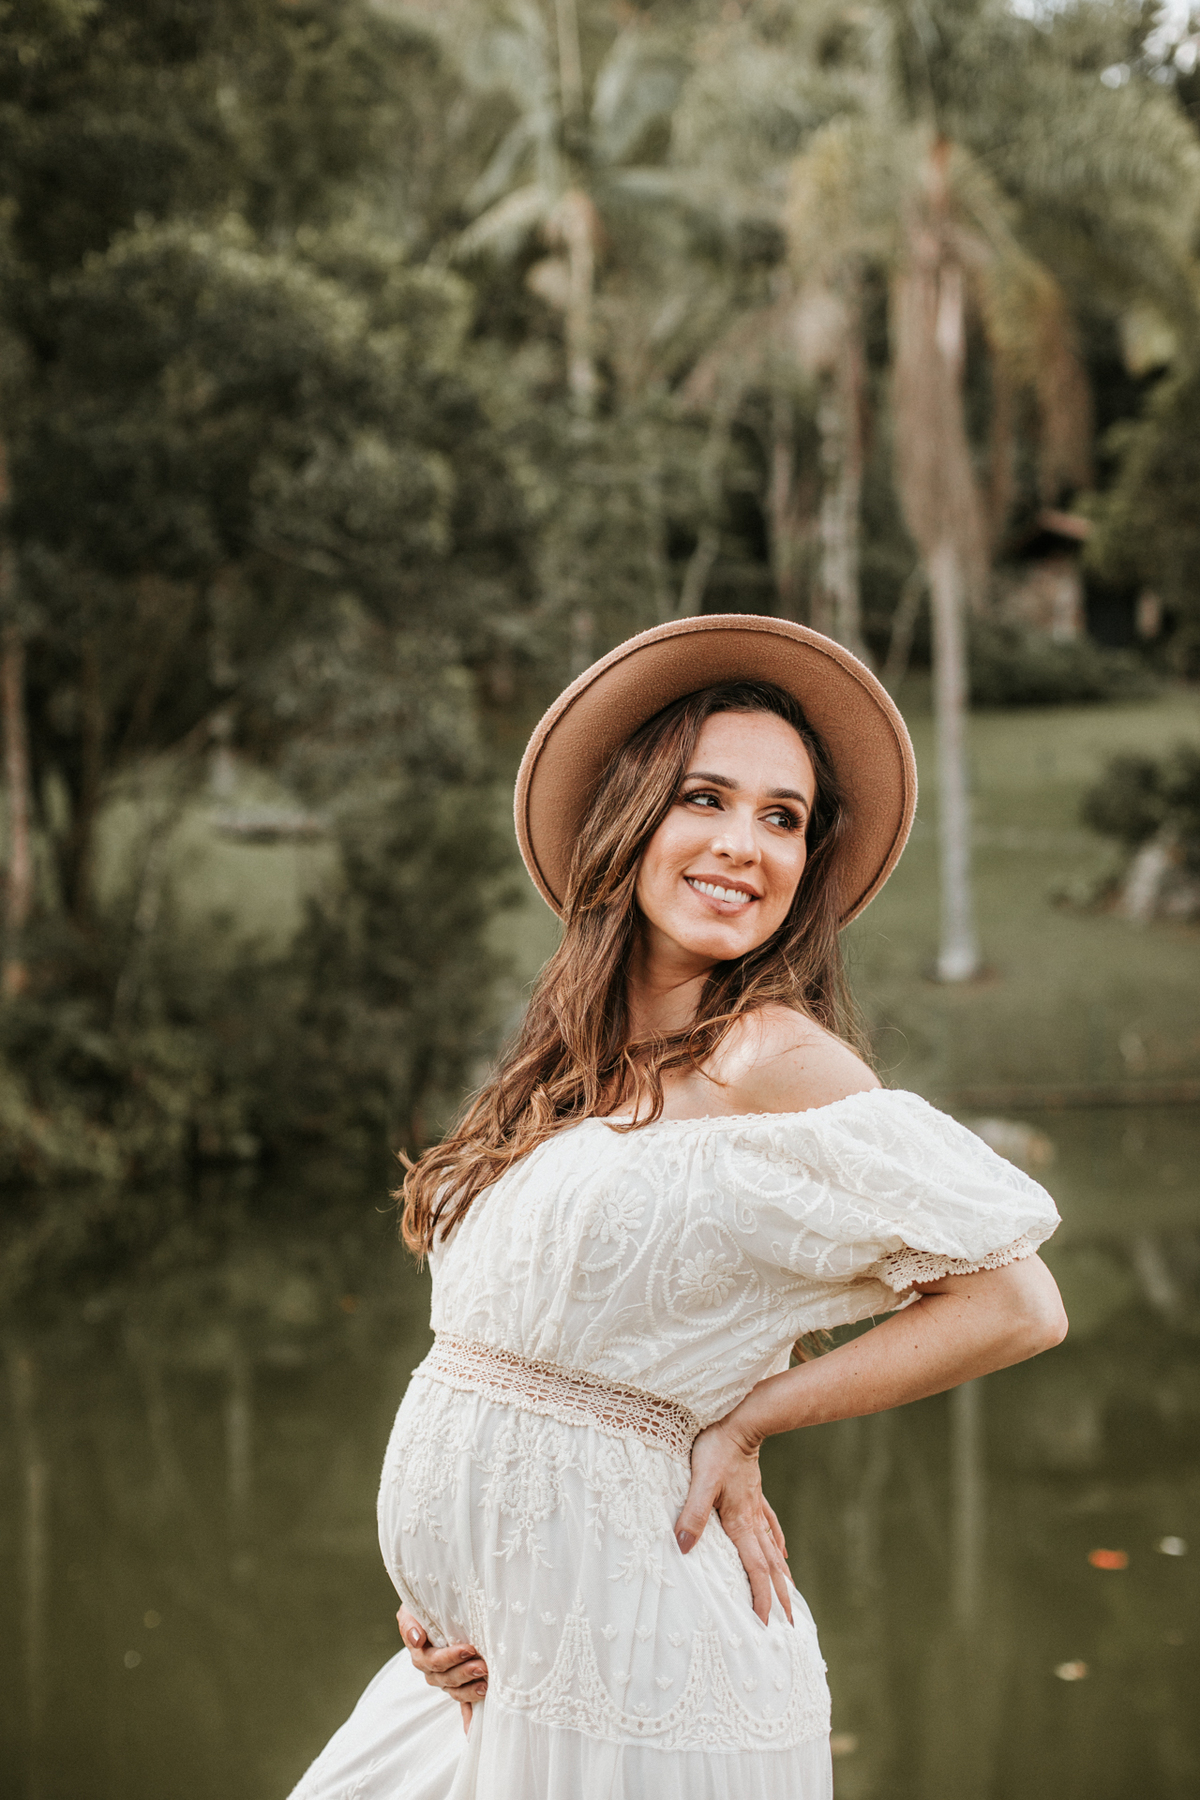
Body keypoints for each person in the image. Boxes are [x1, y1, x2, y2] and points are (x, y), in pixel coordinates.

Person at [287, 615, 1066, 1800]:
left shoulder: (770, 1057)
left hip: (641, 1672)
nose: (744, 845)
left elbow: (1016, 1303)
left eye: (784, 818)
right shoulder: (565, 1073)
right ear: (630, 817)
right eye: (706, 797)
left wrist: (749, 1421)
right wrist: (442, 1592)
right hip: (488, 1672)